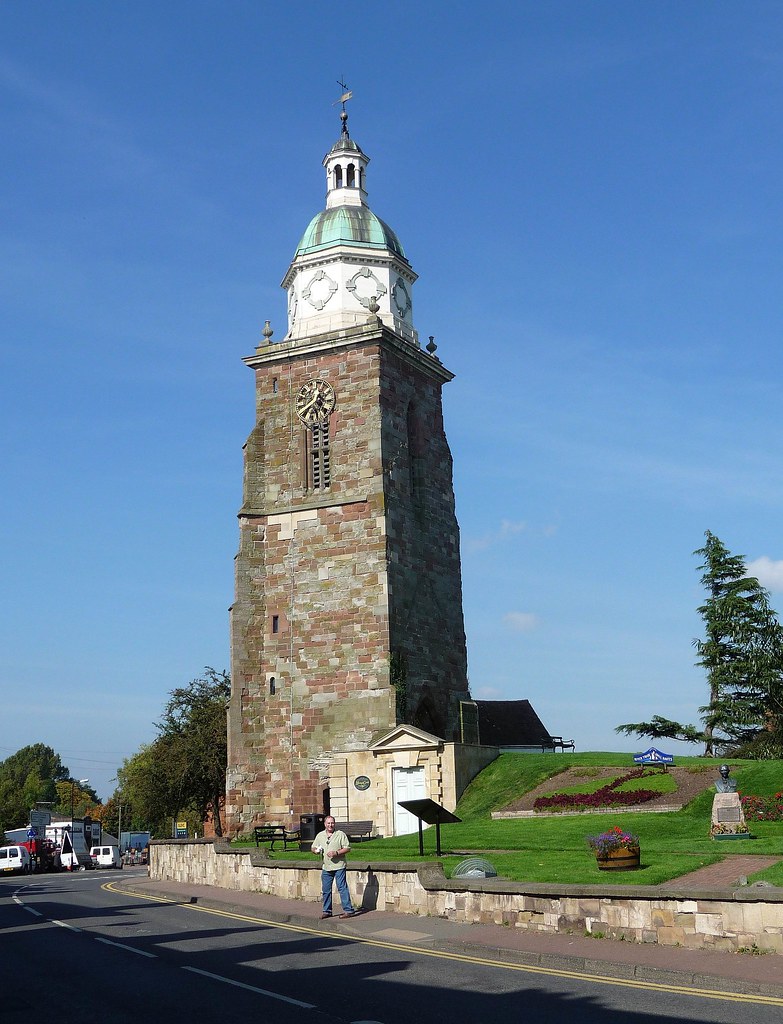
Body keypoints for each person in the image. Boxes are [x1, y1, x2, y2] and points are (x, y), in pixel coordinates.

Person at [311, 815, 356, 919]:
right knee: (326, 890)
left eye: (332, 823)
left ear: (334, 824)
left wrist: (336, 852)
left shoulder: (340, 834)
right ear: (325, 824)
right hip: (326, 867)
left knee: (342, 888)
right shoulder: (320, 835)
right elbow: (313, 847)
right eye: (328, 823)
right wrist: (316, 851)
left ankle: (348, 910)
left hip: (339, 866)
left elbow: (347, 848)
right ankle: (327, 911)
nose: (330, 825)